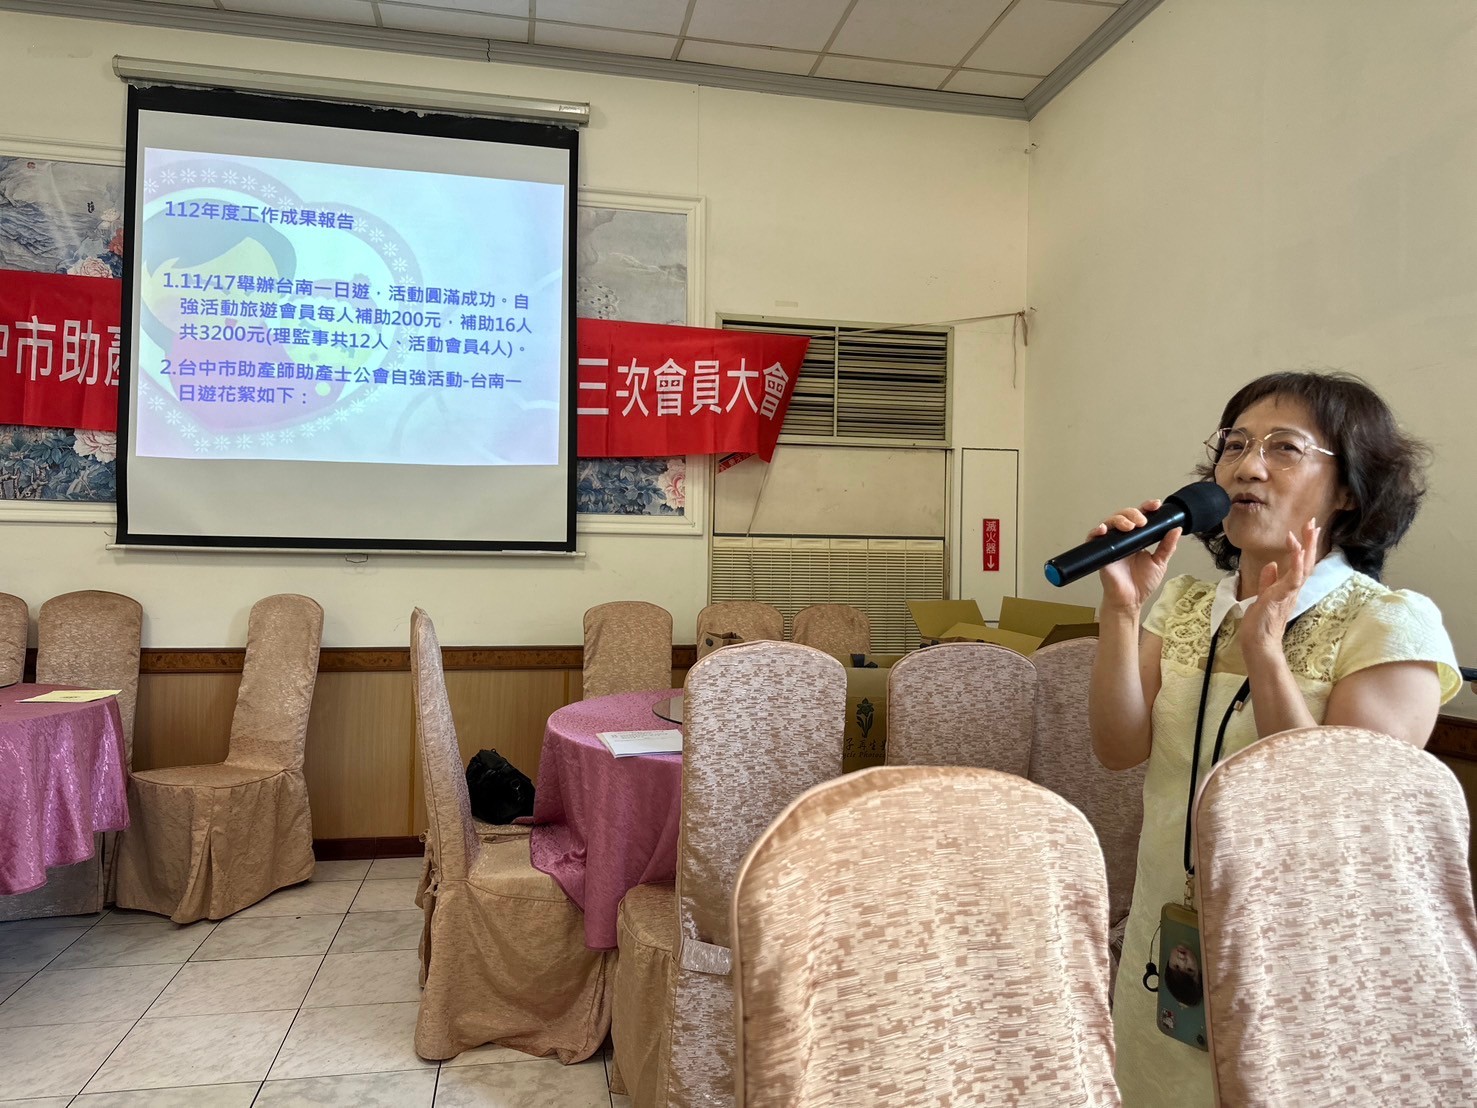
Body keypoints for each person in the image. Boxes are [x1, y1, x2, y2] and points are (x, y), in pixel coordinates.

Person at [1087, 371, 1461, 1106]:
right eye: (1235, 445)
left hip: (1303, 952)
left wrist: (1264, 652)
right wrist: (1123, 610)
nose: (1247, 467)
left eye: (1284, 447)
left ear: (1348, 489)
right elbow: (1117, 747)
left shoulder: (1389, 623)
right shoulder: (1186, 605)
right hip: (1170, 939)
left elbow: (1337, 816)